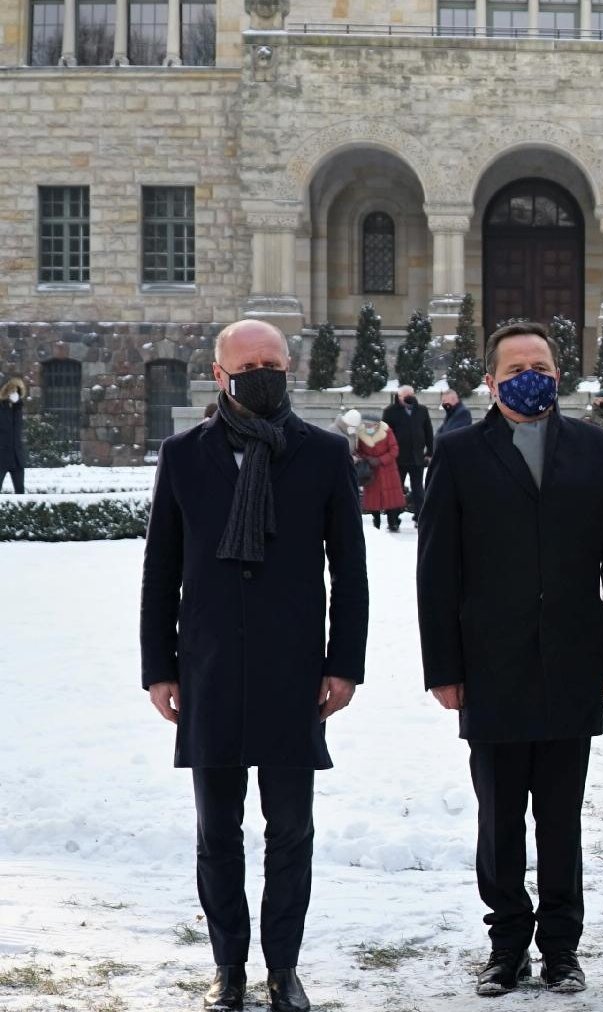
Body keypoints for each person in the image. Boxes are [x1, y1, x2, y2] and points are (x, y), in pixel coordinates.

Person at [139, 319, 368, 1012]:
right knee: (217, 831)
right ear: (221, 374)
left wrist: (345, 665)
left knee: (291, 829)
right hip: (208, 668)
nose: (262, 372)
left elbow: (350, 573)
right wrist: (159, 667)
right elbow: (161, 570)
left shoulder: (324, 454)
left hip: (295, 669)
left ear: (289, 366)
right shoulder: (184, 456)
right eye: (249, 363)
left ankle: (284, 968)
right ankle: (228, 967)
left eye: (273, 361)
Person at [416, 321, 603, 998]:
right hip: (491, 665)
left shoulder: (599, 452)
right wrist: (444, 669)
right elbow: (437, 572)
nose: (528, 375)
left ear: (558, 373)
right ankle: (507, 943)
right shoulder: (458, 454)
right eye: (514, 367)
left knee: (563, 818)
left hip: (572, 660)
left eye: (539, 364)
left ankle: (562, 948)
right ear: (491, 380)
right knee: (500, 816)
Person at [380, 384, 434, 514]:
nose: (407, 399)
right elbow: (384, 434)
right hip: (397, 458)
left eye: (410, 396)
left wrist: (430, 452)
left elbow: (428, 431)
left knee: (418, 490)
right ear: (398, 397)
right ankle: (393, 518)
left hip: (417, 457)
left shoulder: (422, 410)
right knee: (395, 490)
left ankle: (420, 516)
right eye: (404, 396)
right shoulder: (390, 411)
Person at [354, 414, 406, 532]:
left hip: (388, 470)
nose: (367, 426)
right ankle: (375, 522)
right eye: (365, 424)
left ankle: (393, 522)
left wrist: (380, 460)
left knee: (391, 498)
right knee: (373, 499)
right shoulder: (361, 434)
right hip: (371, 472)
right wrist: (368, 458)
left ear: (377, 425)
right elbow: (359, 451)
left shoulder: (387, 432)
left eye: (369, 424)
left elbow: (394, 450)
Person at [0, 376, 25, 493]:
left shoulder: (18, 409)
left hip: (16, 457)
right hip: (2, 456)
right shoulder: (2, 407)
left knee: (20, 491)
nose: (14, 394)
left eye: (17, 391)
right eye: (12, 391)